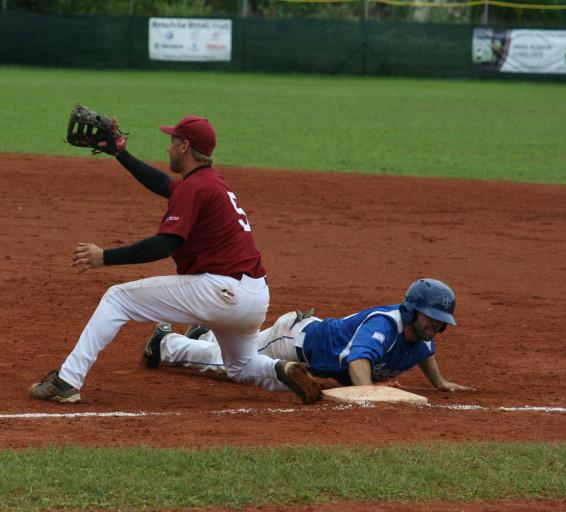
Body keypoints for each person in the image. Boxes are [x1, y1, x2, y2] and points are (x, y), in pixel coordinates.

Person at [29, 114, 320, 404]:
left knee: (117, 299)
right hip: (254, 296)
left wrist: (105, 256)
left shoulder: (195, 187)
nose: (167, 148)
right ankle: (284, 371)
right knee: (241, 366)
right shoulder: (211, 181)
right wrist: (120, 153)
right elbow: (164, 184)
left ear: (184, 147)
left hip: (220, 291)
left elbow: (165, 244)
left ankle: (67, 381)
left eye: (172, 142)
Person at [147, 279, 474, 393]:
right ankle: (164, 343)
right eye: (432, 319)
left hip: (309, 349)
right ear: (413, 311)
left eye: (441, 323)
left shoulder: (423, 334)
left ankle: (204, 335)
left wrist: (440, 383)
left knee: (239, 354)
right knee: (236, 367)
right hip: (294, 343)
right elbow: (360, 361)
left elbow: (426, 351)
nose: (436, 327)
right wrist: (371, 394)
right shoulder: (385, 326)